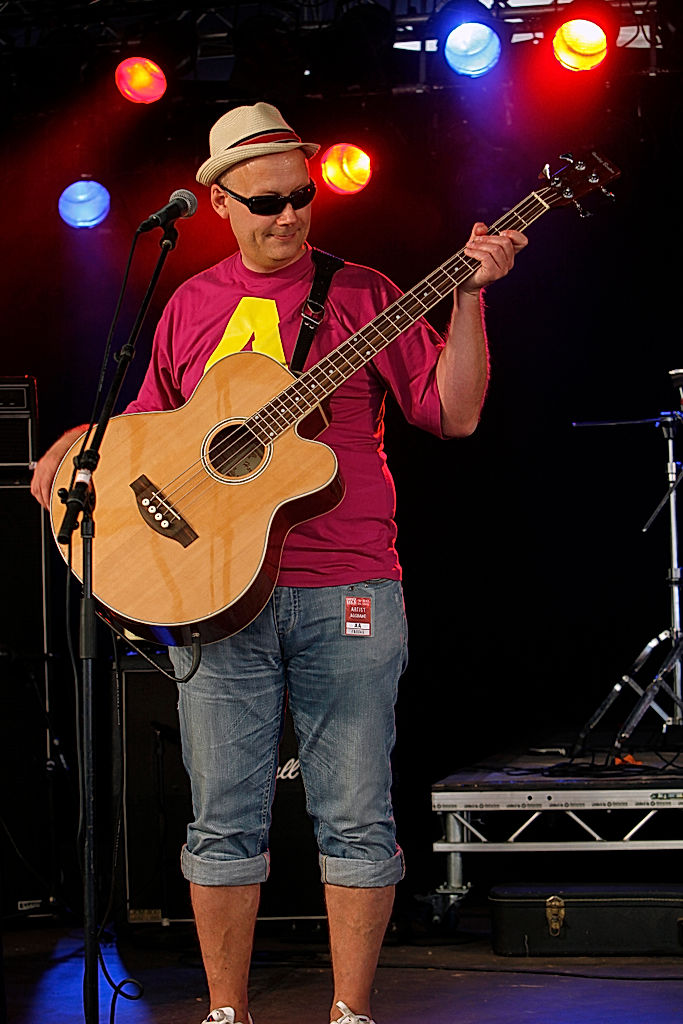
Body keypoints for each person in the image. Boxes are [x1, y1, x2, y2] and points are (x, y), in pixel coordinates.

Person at [31, 102, 527, 1024]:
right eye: (265, 203)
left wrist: (470, 294)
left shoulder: (367, 291)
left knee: (356, 814)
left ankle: (350, 1012)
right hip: (215, 591)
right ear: (217, 201)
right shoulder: (187, 301)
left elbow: (452, 414)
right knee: (221, 818)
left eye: (300, 198)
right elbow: (149, 429)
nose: (289, 217)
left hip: (349, 585)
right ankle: (227, 1014)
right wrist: (76, 441)